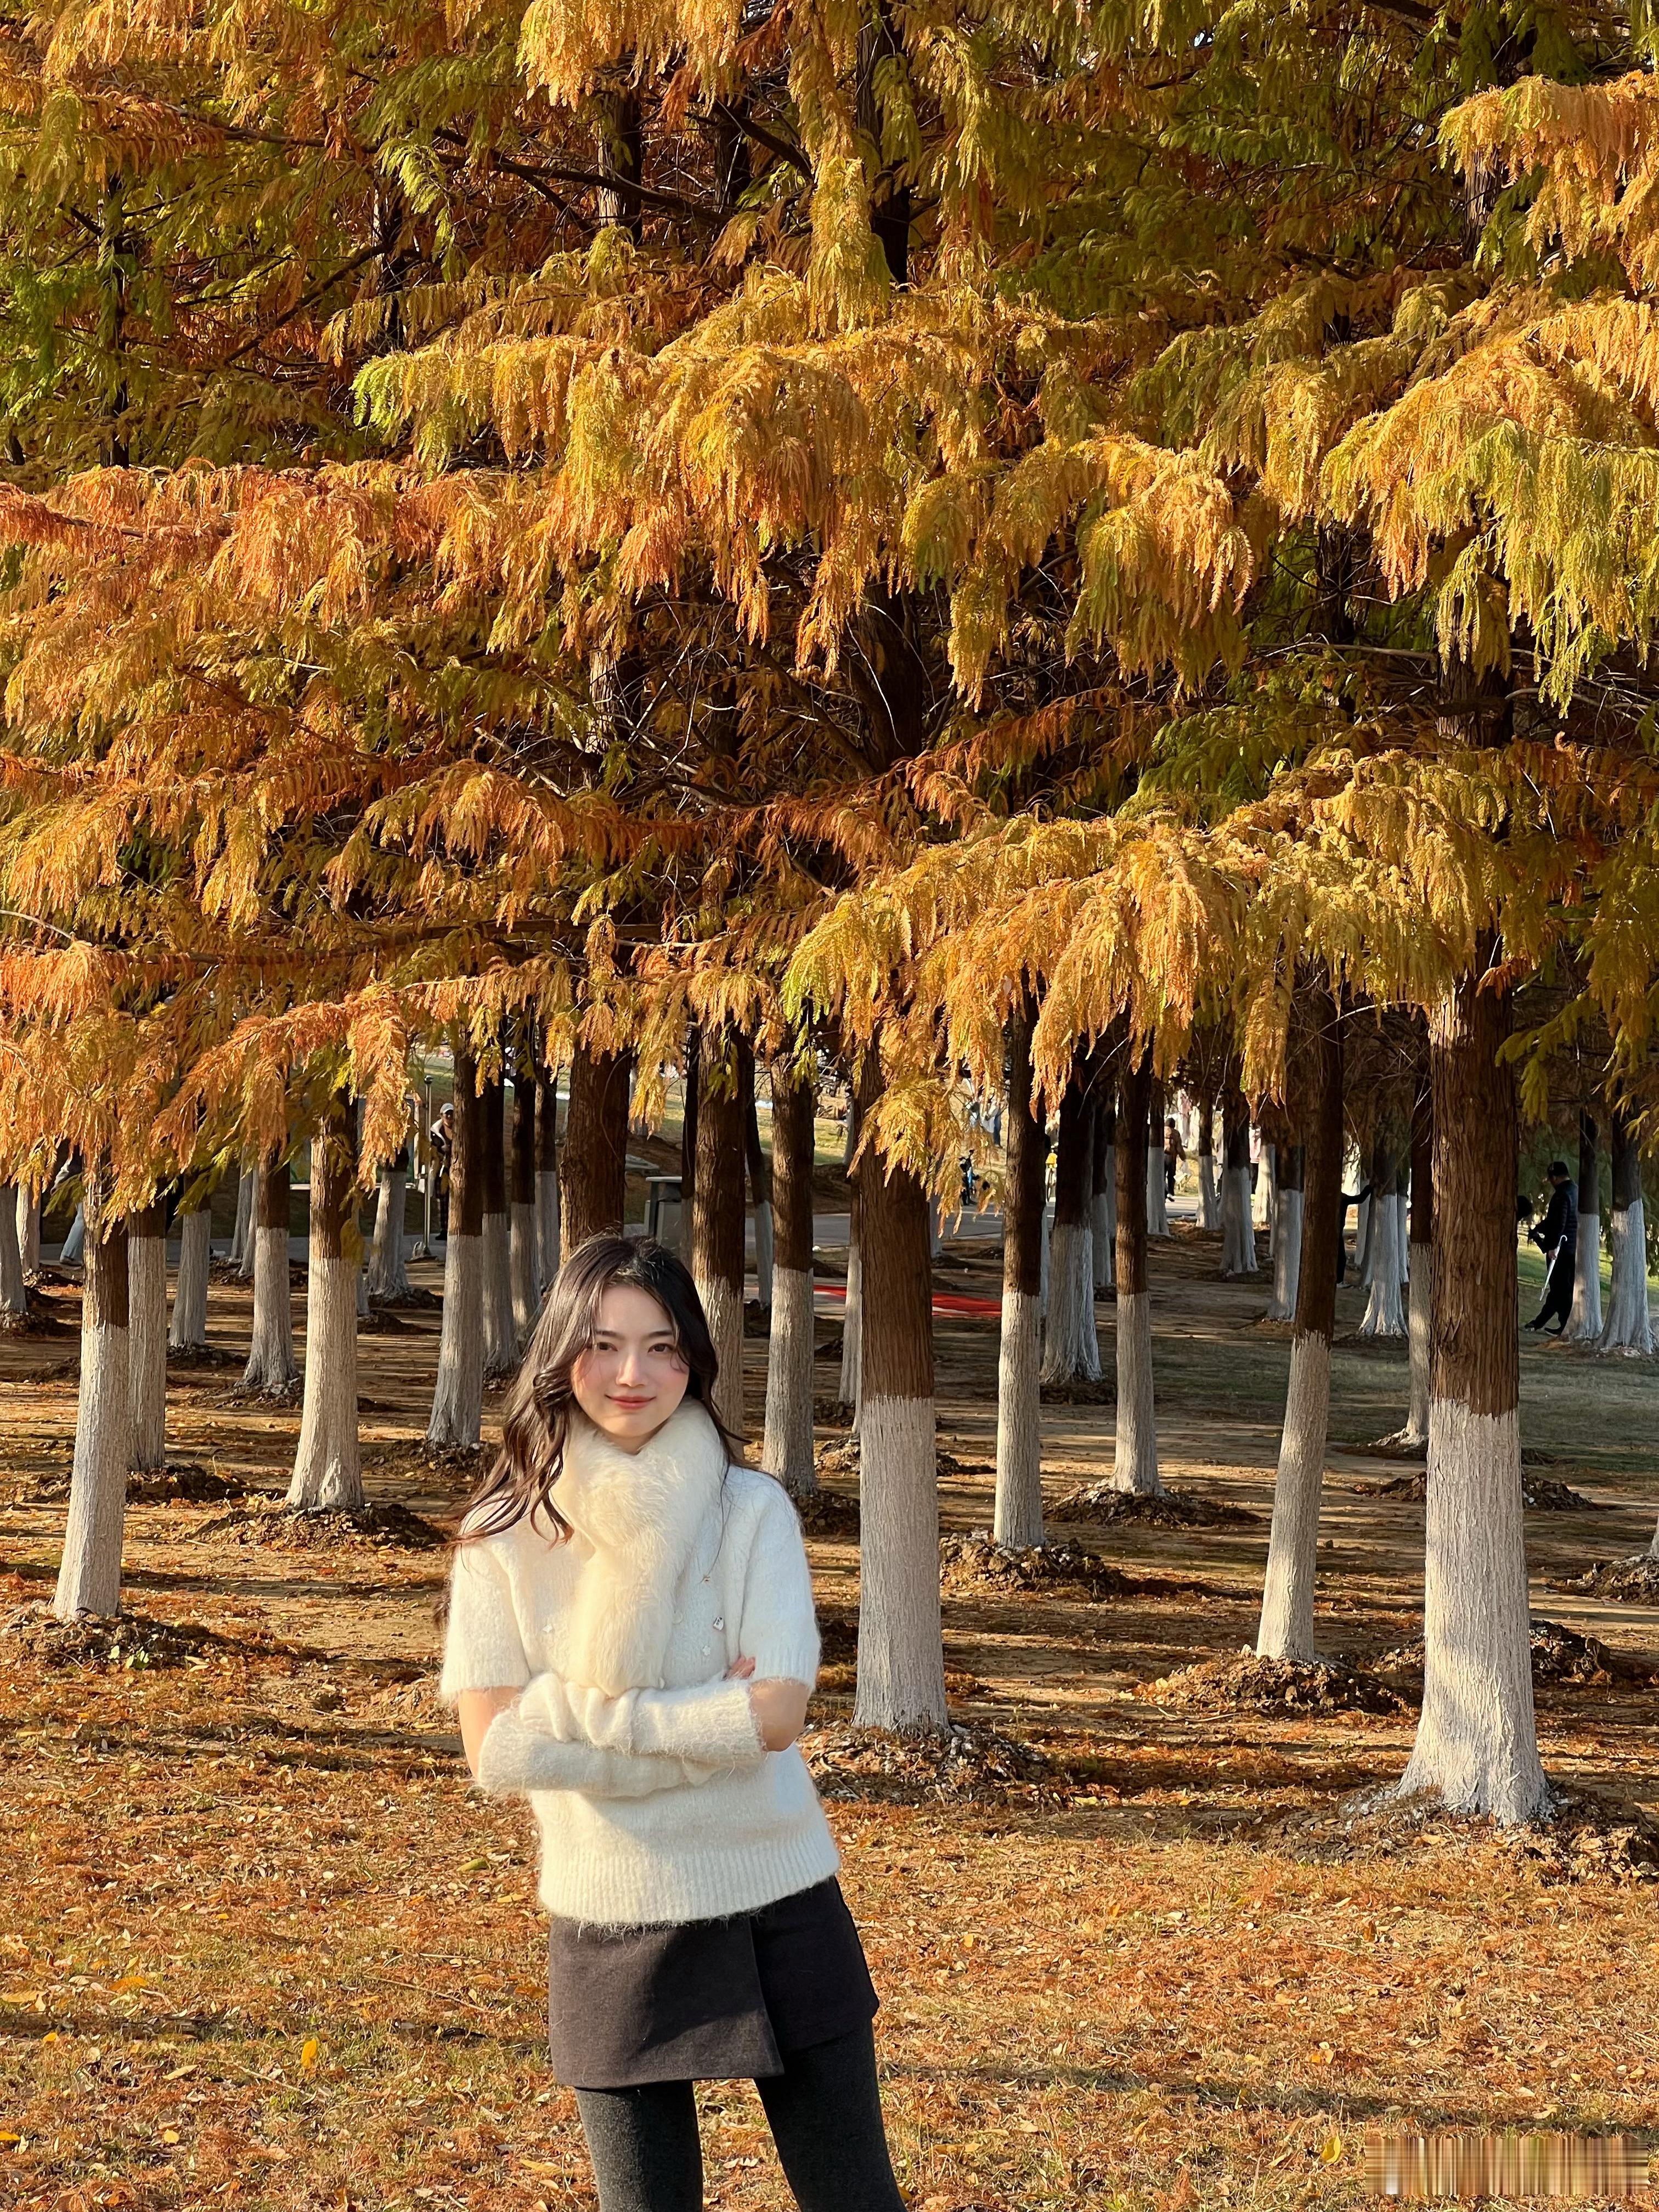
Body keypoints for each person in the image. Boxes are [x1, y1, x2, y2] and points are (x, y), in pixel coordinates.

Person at [442, 1235, 906, 2212]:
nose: (633, 1375)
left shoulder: (751, 1510)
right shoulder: (501, 1534)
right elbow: (498, 1748)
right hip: (610, 1906)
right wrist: (705, 1726)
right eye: (605, 1344)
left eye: (662, 1347)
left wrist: (570, 1715)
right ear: (561, 1353)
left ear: (693, 1358)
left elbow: (775, 1715)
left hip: (777, 1891)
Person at [1526, 1159, 1578, 1335]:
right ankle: (1539, 1323)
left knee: (1560, 1290)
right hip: (1572, 1248)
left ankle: (1562, 1326)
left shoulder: (1561, 1195)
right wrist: (1538, 1229)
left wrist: (1553, 1247)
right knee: (1561, 1289)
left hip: (1561, 1250)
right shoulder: (1576, 1191)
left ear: (1555, 1178)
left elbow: (1558, 1223)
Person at [430, 1101, 454, 1236]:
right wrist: (441, 1148)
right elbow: (432, 1148)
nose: (449, 1117)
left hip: (455, 1169)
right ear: (442, 1115)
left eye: (451, 1114)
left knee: (454, 1200)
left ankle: (453, 1227)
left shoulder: (459, 1129)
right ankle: (444, 1229)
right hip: (441, 1170)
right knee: (442, 1200)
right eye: (447, 1114)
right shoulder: (436, 1131)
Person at [1163, 1115, 1184, 1198]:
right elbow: (1179, 1148)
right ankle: (1171, 1192)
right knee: (1171, 1175)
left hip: (1162, 1156)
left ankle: (1163, 1190)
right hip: (1172, 1157)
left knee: (1162, 1175)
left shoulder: (1161, 1131)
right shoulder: (1176, 1134)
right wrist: (1183, 1157)